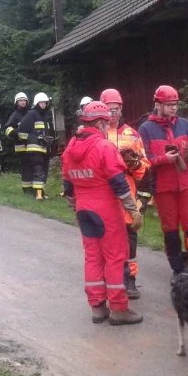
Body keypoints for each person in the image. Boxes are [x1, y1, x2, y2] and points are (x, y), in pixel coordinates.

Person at [62, 101, 144, 325]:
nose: (107, 126)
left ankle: (97, 307)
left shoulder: (71, 147)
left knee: (92, 257)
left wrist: (74, 206)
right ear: (98, 122)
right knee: (115, 257)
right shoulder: (104, 147)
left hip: (83, 208)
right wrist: (133, 210)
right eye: (106, 123)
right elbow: (119, 183)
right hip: (106, 208)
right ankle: (119, 309)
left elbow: (67, 185)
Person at [138, 85, 188, 275]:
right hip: (163, 187)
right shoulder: (146, 129)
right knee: (170, 229)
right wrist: (164, 159)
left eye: (175, 104)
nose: (173, 108)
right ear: (158, 104)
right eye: (169, 104)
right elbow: (143, 160)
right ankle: (177, 269)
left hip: (187, 183)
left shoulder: (185, 125)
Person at [101, 88, 150, 299]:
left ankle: (130, 280)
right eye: (108, 110)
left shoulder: (133, 135)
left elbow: (144, 168)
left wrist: (135, 163)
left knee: (129, 237)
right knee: (107, 237)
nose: (112, 114)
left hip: (127, 193)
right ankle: (110, 279)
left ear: (121, 109)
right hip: (104, 193)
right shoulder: (98, 134)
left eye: (115, 109)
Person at [18, 92, 53, 200]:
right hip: (34, 148)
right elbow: (22, 130)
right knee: (38, 170)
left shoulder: (46, 115)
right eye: (41, 102)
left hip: (44, 148)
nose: (43, 105)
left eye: (45, 103)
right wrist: (34, 138)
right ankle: (38, 195)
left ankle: (40, 192)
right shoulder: (31, 114)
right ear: (37, 103)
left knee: (43, 171)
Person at [4, 92, 31, 194]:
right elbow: (7, 129)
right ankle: (27, 190)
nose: (23, 102)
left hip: (32, 145)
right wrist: (15, 133)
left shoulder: (30, 113)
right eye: (20, 101)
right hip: (21, 146)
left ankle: (34, 189)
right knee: (26, 168)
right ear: (16, 103)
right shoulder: (15, 115)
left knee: (32, 166)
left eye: (24, 100)